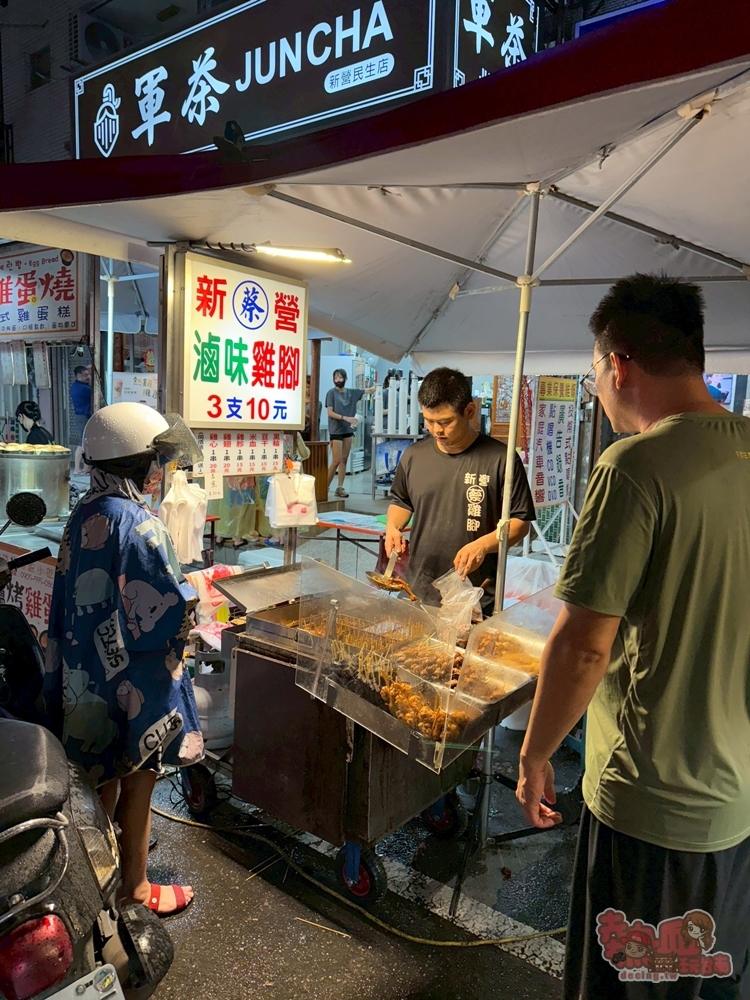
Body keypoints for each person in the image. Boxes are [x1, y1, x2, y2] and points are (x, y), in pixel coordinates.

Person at [515, 274, 750, 1000]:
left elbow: (584, 645)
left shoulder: (635, 467)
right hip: (734, 803)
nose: (597, 388)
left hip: (648, 805)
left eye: (593, 373)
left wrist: (534, 752)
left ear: (618, 363)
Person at [43, 402, 205, 917]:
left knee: (99, 774)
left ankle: (97, 874)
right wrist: (196, 596)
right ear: (139, 465)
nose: (161, 472)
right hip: (136, 677)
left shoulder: (86, 510)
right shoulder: (139, 523)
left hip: (87, 670)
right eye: (156, 462)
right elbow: (169, 607)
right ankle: (135, 888)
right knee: (140, 772)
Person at [386, 367, 535, 613]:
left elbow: (520, 523)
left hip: (474, 595)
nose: (436, 431)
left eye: (445, 422)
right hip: (417, 590)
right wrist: (393, 528)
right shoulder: (414, 456)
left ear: (469, 411)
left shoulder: (502, 459)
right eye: (429, 421)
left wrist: (483, 545)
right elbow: (401, 501)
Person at [325, 368, 375, 498]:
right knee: (335, 460)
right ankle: (324, 486)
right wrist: (345, 418)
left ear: (345, 379)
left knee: (344, 459)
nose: (338, 380)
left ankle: (340, 487)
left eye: (340, 378)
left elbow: (369, 390)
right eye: (335, 378)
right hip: (336, 429)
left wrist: (382, 387)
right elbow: (330, 412)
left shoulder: (352, 393)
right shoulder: (331, 393)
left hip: (348, 430)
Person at [70, 364, 92, 474]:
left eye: (89, 374)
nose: (88, 377)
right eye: (86, 375)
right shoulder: (84, 389)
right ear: (79, 376)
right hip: (83, 417)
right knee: (82, 443)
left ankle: (84, 468)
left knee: (84, 442)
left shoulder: (75, 386)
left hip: (81, 417)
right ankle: (77, 469)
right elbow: (99, 396)